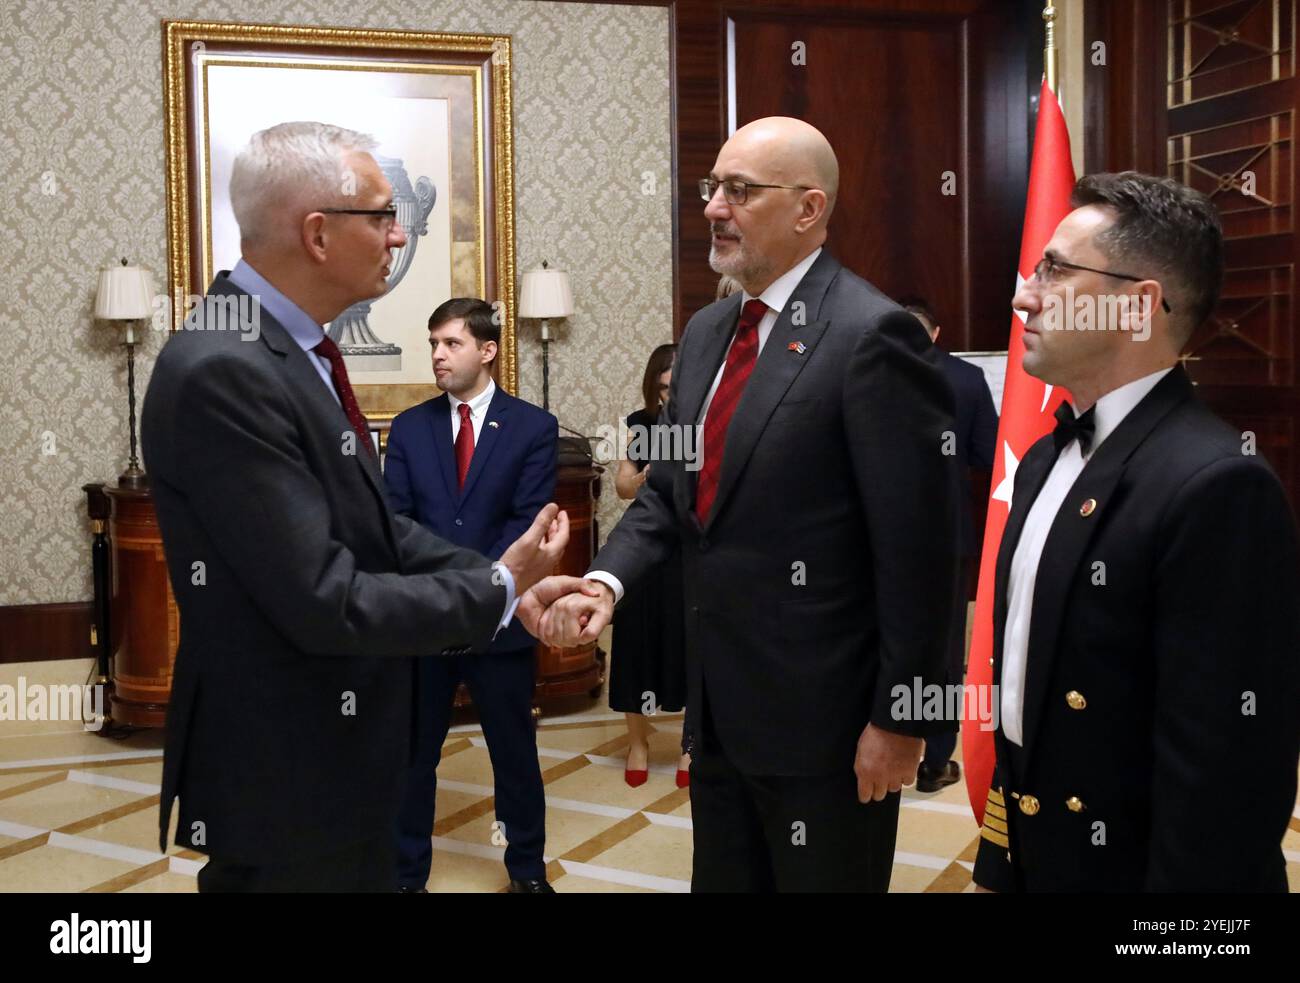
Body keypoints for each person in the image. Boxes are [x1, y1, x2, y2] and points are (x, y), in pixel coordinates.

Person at [141, 122, 576, 892]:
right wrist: (496, 587)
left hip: (336, 751)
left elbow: (374, 531)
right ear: (317, 233)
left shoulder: (286, 347)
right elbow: (327, 596)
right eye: (380, 214)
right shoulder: (224, 369)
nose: (399, 232)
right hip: (290, 765)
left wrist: (504, 582)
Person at [539, 117, 960, 892]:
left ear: (809, 208)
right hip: (720, 714)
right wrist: (605, 582)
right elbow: (669, 493)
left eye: (739, 190)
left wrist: (904, 720)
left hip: (830, 728)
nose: (713, 208)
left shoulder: (875, 337)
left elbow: (922, 553)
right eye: (712, 188)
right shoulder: (705, 334)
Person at [971, 172, 1300, 892]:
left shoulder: (1218, 484)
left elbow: (1226, 778)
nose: (1024, 295)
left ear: (1139, 305)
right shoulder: (1042, 459)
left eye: (1055, 270)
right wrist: (1002, 853)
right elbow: (1029, 692)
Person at [384, 298, 558, 894]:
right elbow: (397, 522)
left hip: (500, 622)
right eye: (433, 343)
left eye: (450, 344)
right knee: (413, 760)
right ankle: (407, 878)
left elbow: (525, 525)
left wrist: (481, 592)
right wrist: (456, 588)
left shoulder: (534, 427)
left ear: (487, 350)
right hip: (426, 620)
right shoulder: (409, 428)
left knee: (514, 758)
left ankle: (528, 875)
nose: (437, 354)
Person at [899, 297, 999, 792]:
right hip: (947, 537)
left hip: (877, 537)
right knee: (942, 651)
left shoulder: (863, 371)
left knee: (879, 638)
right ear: (936, 333)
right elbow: (986, 452)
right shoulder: (966, 379)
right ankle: (934, 761)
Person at [610, 343, 691, 788]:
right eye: (662, 388)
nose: (668, 395)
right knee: (636, 641)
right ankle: (637, 741)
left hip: (690, 546)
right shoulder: (640, 424)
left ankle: (690, 748)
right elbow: (623, 486)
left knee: (691, 643)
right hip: (645, 544)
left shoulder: (705, 422)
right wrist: (646, 477)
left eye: (674, 386)